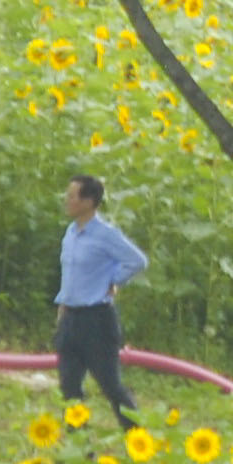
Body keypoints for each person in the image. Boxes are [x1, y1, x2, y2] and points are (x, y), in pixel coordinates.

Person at [54, 173, 148, 424]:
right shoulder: (70, 233)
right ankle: (80, 450)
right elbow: (70, 274)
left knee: (111, 386)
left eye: (72, 196)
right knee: (70, 390)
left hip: (97, 319)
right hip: (70, 318)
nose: (67, 200)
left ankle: (138, 440)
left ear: (89, 201)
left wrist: (113, 280)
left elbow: (137, 261)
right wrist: (63, 306)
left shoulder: (106, 234)